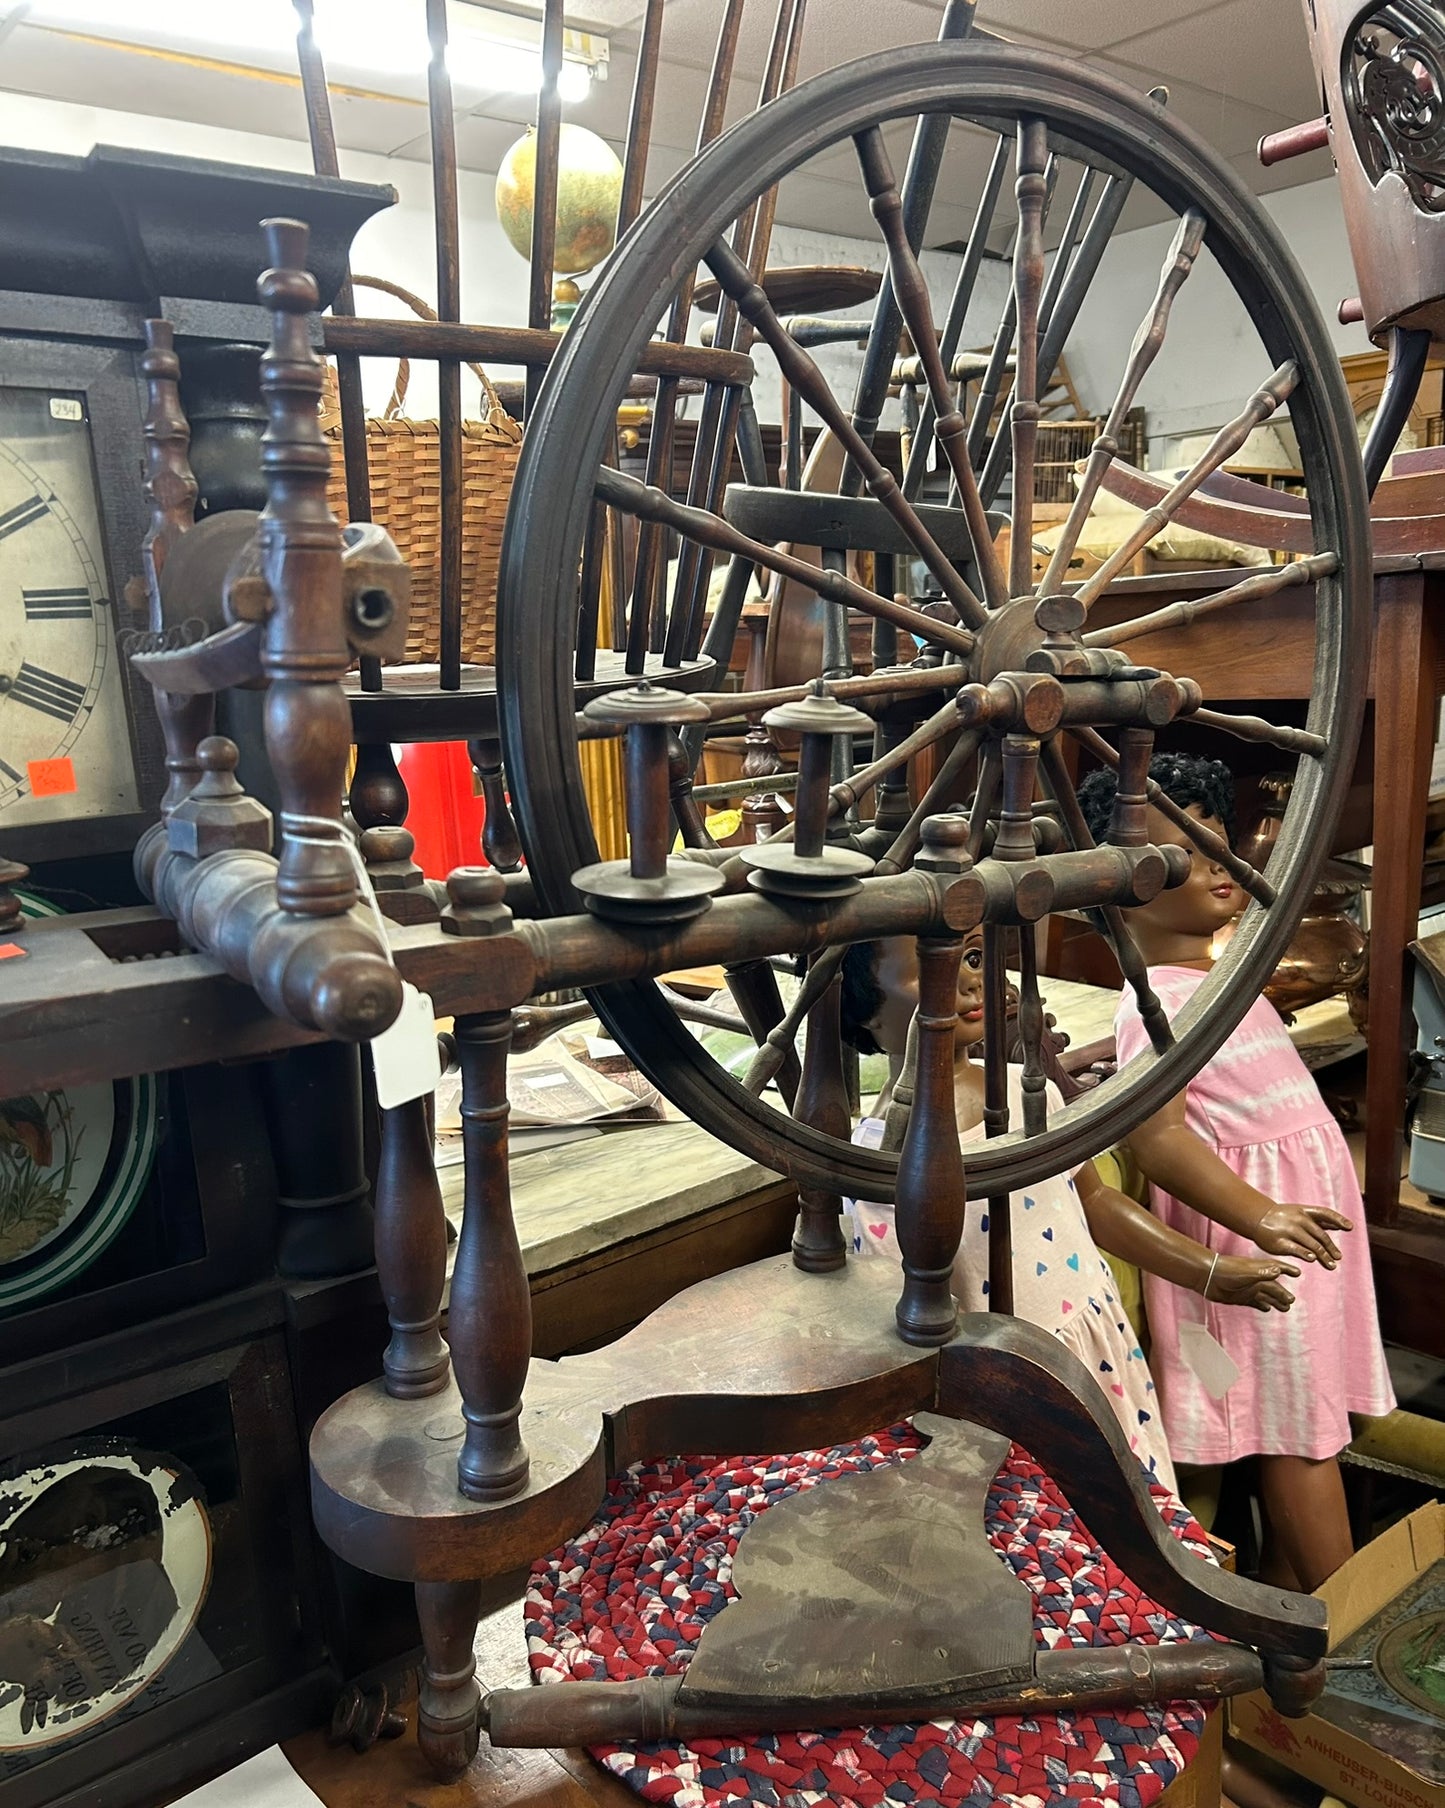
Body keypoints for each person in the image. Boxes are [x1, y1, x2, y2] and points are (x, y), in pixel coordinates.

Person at [1078, 751, 1395, 1591]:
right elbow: (1161, 1141)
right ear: (1122, 886)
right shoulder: (1158, 1007)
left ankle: (1295, 1604)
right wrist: (1258, 1217)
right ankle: (1341, 1623)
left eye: (1217, 846)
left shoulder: (1223, 984)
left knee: (1313, 1414)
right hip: (1254, 1248)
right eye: (1187, 856)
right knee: (1297, 1433)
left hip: (1302, 1235)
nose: (1217, 867)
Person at [840, 929, 1301, 1498]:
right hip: (1000, 1383)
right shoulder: (875, 1165)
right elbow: (893, 1315)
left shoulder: (1028, 1095)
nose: (967, 978)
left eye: (977, 958)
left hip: (1093, 1349)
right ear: (862, 1010)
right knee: (1049, 1528)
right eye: (932, 968)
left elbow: (1097, 1201)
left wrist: (1208, 1270)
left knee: (1133, 1509)